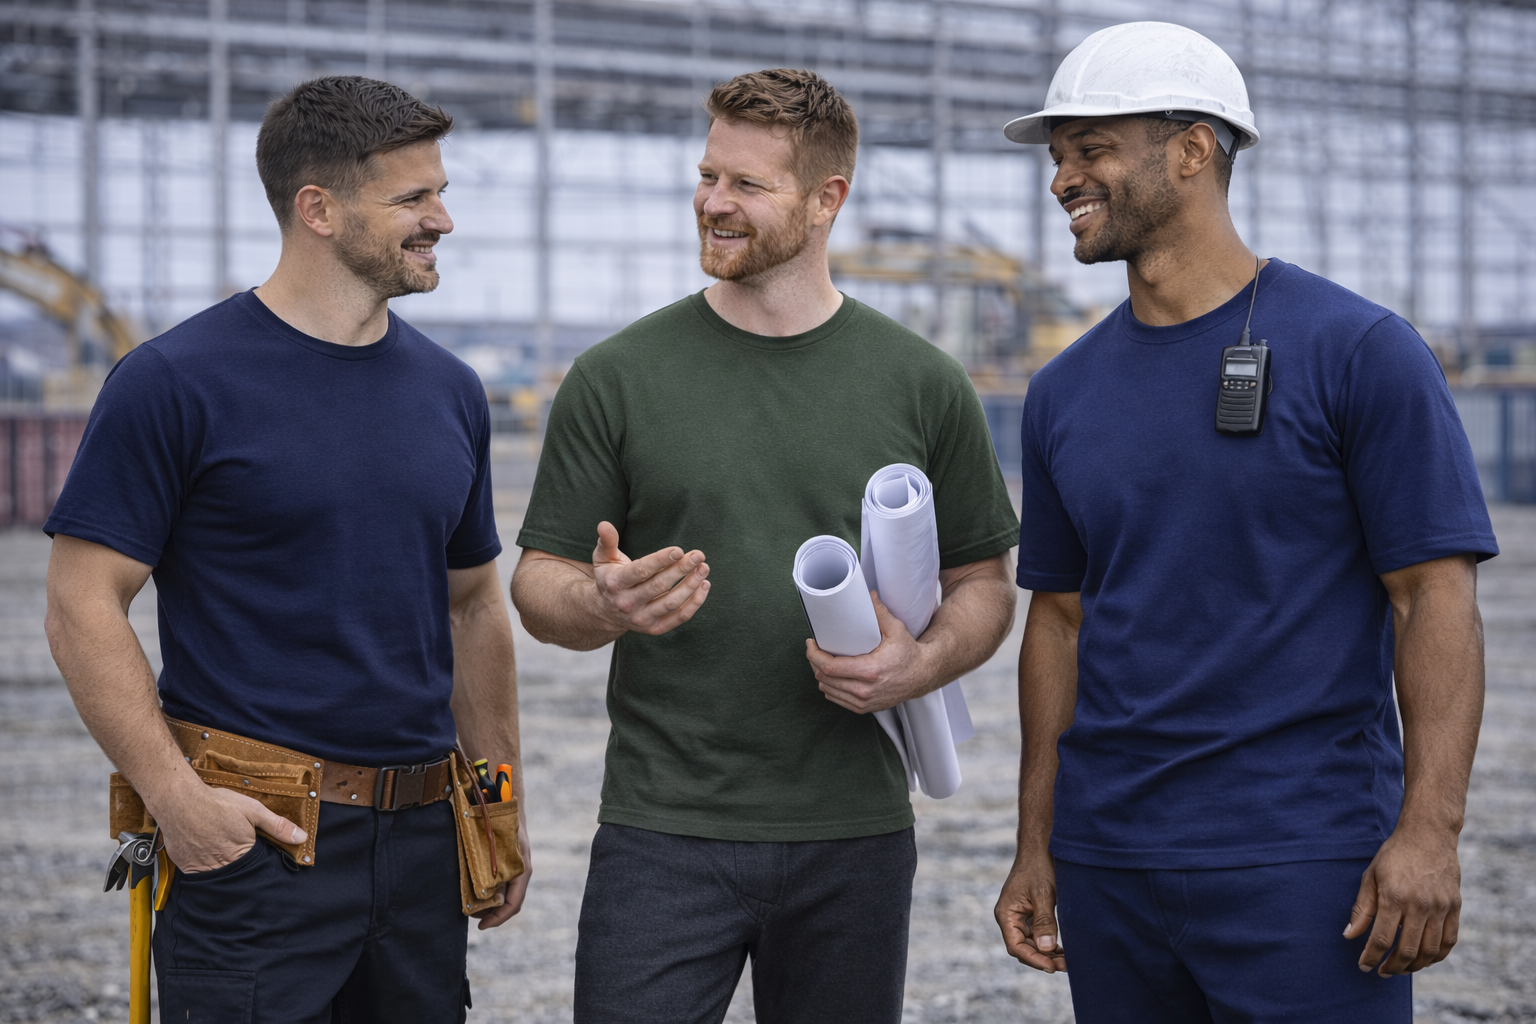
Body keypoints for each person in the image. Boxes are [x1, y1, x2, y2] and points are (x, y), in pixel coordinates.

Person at [990, 21, 1498, 1023]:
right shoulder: (1061, 392)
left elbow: (1432, 594)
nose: (1063, 180)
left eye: (1092, 150)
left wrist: (1430, 831)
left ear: (1193, 150)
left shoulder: (1360, 351)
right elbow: (1058, 621)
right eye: (1059, 159)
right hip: (1112, 865)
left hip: (1305, 868)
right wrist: (1039, 843)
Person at [510, 68, 1019, 1024]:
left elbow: (986, 582)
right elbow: (538, 584)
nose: (713, 201)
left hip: (855, 835)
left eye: (747, 184)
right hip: (664, 830)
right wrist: (602, 604)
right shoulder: (617, 377)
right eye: (708, 175)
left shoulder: (922, 383)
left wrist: (921, 663)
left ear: (828, 199)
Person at [43, 75, 529, 1023]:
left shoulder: (451, 391)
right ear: (318, 209)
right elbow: (80, 604)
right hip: (257, 844)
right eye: (413, 199)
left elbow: (472, 603)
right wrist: (176, 802)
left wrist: (497, 807)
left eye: (440, 191)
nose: (444, 219)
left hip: (426, 847)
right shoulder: (173, 382)